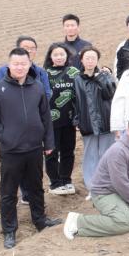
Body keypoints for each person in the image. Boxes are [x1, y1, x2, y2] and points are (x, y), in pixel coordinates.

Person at [0, 47, 62, 248]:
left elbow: (46, 116)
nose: (19, 67)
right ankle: (9, 230)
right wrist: (4, 135)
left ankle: (40, 220)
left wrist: (49, 142)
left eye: (23, 64)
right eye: (16, 64)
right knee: (9, 192)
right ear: (9, 65)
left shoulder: (37, 87)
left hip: (34, 148)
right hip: (11, 150)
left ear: (29, 65)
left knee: (36, 187)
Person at [62, 112, 129, 240]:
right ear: (128, 131)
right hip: (106, 193)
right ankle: (78, 221)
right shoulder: (118, 151)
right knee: (123, 223)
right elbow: (121, 185)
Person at [73, 46, 118, 194]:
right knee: (90, 155)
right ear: (82, 60)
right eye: (87, 58)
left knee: (107, 154)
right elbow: (75, 102)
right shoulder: (77, 80)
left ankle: (108, 185)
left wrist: (101, 78)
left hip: (106, 121)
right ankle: (92, 187)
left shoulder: (105, 76)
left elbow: (111, 94)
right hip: (87, 123)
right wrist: (77, 121)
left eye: (93, 58)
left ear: (97, 60)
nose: (90, 61)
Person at [43, 43, 80, 195]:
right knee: (51, 152)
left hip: (69, 120)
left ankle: (66, 180)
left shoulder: (74, 72)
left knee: (68, 151)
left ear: (67, 56)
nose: (59, 57)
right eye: (56, 55)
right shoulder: (45, 74)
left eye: (62, 54)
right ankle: (55, 182)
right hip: (50, 121)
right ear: (50, 57)